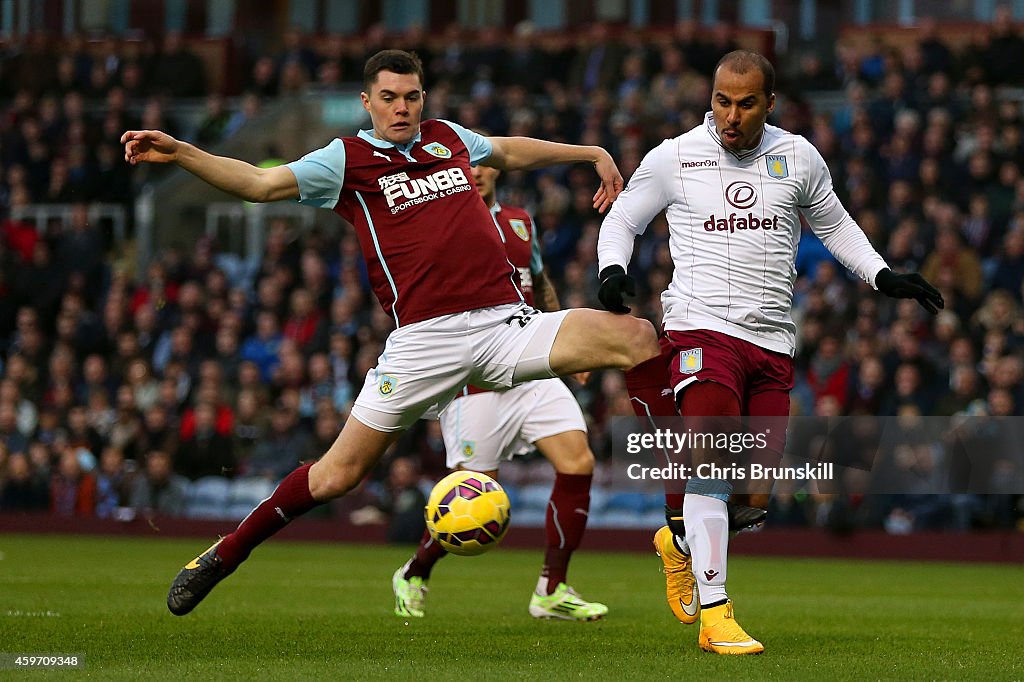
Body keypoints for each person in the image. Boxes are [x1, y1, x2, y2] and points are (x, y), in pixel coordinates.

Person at [122, 49, 659, 617]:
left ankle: (682, 515)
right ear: (366, 101)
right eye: (388, 98)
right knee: (337, 476)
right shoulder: (347, 160)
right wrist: (181, 152)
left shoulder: (447, 138)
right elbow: (259, 183)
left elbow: (508, 150)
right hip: (425, 342)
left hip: (506, 325)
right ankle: (223, 556)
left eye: (411, 97)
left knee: (638, 336)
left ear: (423, 98)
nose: (401, 108)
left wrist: (591, 153)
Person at [596, 50, 943, 655]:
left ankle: (677, 544)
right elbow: (623, 218)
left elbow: (835, 226)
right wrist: (611, 272)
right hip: (700, 331)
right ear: (711, 97)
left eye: (746, 103)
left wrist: (882, 274)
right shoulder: (674, 156)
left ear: (770, 104)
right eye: (722, 101)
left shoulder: (799, 156)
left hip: (772, 343)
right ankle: (717, 615)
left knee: (753, 500)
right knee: (710, 458)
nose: (730, 116)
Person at [391, 159, 606, 621]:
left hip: (531, 367)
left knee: (578, 463)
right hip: (476, 382)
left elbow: (541, 284)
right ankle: (415, 570)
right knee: (473, 494)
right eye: (470, 166)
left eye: (488, 165)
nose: (480, 172)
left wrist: (570, 350)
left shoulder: (519, 221)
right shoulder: (442, 223)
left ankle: (552, 587)